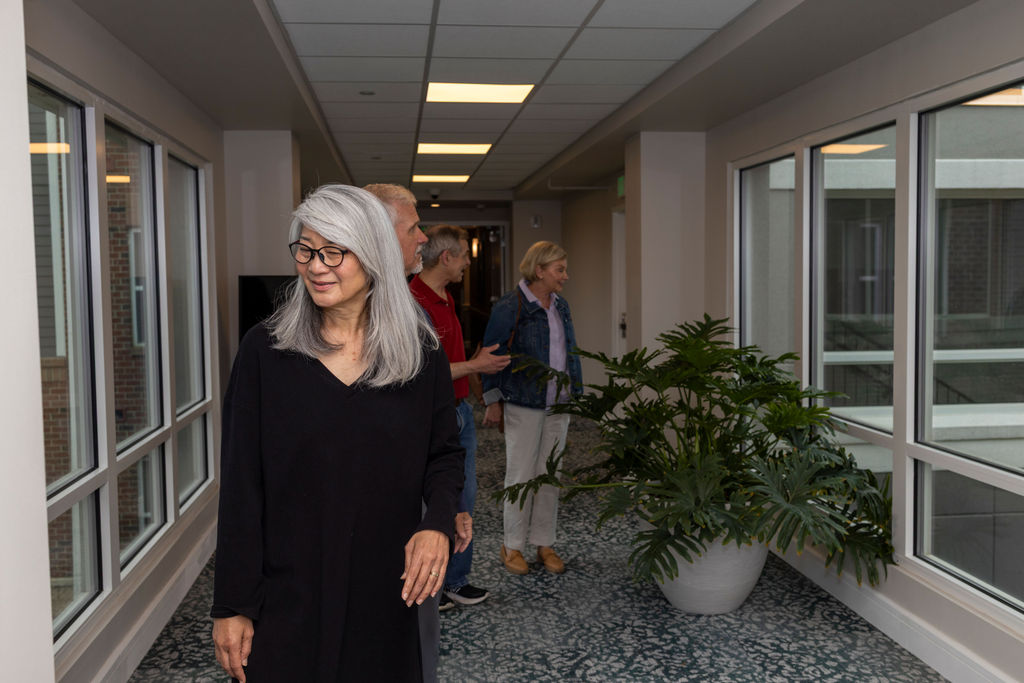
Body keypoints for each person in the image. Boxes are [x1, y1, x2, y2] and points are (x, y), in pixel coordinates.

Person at [210, 185, 465, 682]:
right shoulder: (266, 353)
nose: (315, 265)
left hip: (385, 592)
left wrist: (436, 522)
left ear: (372, 256)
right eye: (305, 250)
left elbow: (444, 453)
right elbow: (242, 488)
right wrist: (233, 604)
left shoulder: (419, 352)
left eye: (334, 251)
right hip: (287, 595)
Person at [410, 225, 511, 610]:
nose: (469, 262)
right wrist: (475, 365)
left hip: (460, 411)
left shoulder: (447, 297)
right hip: (434, 415)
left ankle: (454, 581)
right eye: (464, 256)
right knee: (439, 499)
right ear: (446, 257)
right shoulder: (411, 301)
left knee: (465, 499)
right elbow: (422, 370)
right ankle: (430, 587)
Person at [481, 241, 582, 576]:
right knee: (521, 476)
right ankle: (512, 545)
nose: (565, 276)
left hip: (558, 403)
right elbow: (491, 353)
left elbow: (569, 351)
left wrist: (575, 391)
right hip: (523, 402)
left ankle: (544, 543)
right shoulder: (512, 306)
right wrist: (493, 399)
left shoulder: (560, 305)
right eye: (559, 270)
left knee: (549, 475)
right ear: (539, 270)